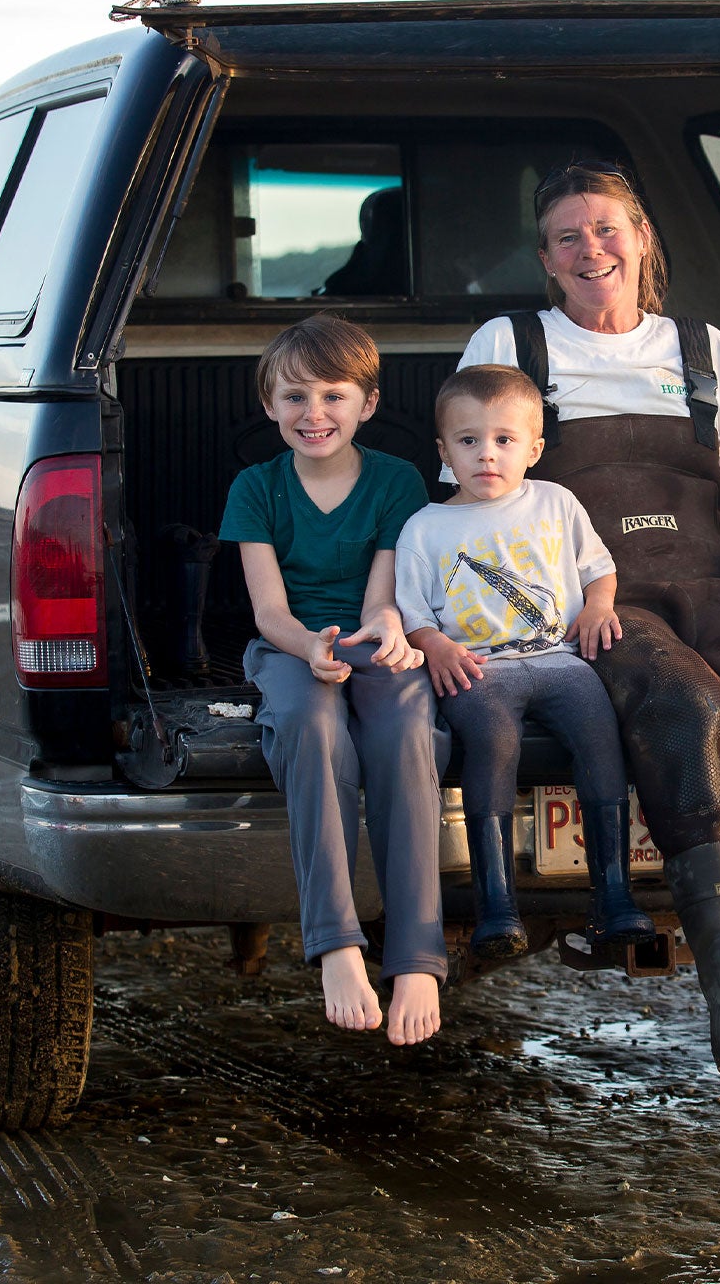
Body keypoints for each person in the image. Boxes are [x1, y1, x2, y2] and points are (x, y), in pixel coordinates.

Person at [454, 160, 720, 1088]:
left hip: (711, 578)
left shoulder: (701, 348)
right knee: (680, 705)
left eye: (607, 229)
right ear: (546, 258)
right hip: (591, 592)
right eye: (568, 236)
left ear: (643, 238)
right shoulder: (512, 340)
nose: (591, 250)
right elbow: (478, 479)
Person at [219, 313, 447, 1045]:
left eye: (332, 396)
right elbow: (267, 611)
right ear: (268, 406)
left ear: (367, 404)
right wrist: (308, 649)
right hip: (292, 650)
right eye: (293, 398)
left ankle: (415, 955)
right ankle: (336, 944)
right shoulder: (256, 488)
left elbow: (386, 595)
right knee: (312, 727)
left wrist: (383, 629)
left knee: (407, 730)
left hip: (376, 644)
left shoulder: (396, 480)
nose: (313, 414)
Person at [394, 364, 655, 961]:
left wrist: (599, 607)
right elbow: (412, 614)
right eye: (468, 441)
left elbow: (600, 568)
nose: (487, 455)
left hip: (561, 661)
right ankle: (497, 908)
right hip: (479, 671)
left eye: (505, 440)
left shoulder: (556, 503)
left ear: (534, 449)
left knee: (599, 735)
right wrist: (435, 645)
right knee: (493, 742)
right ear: (443, 452)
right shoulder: (426, 528)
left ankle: (614, 895)